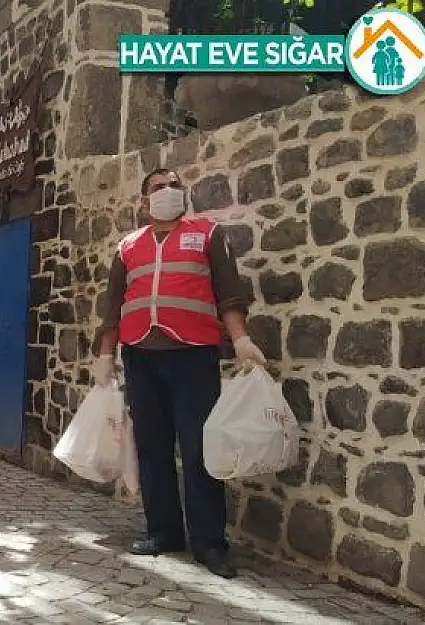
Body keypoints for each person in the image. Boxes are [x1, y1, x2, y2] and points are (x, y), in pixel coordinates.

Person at [95, 168, 266, 579]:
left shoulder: (207, 235)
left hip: (193, 354)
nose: (169, 192)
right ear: (144, 201)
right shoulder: (128, 246)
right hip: (141, 355)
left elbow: (229, 292)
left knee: (198, 449)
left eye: (174, 186)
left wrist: (240, 340)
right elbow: (113, 305)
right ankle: (163, 532)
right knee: (153, 446)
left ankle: (209, 542)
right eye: (158, 187)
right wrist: (105, 354)